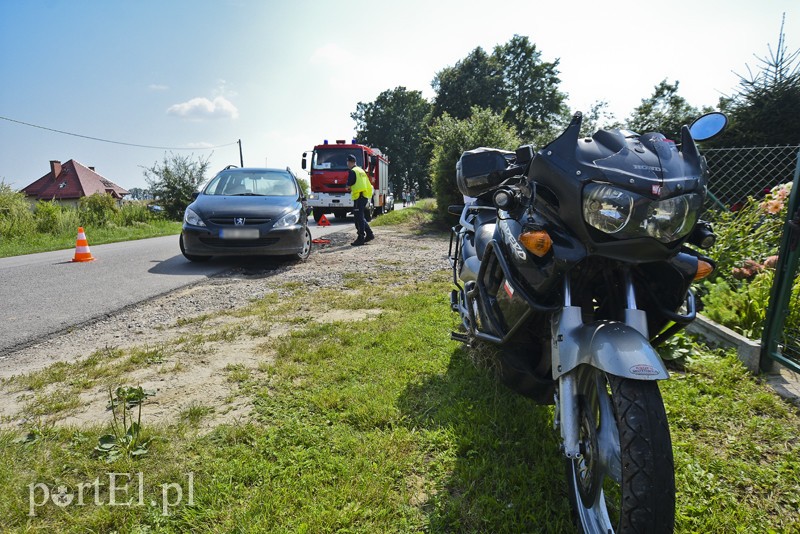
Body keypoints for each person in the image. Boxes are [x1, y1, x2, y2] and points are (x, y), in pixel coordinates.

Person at [346, 154, 375, 246]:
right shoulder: (361, 170)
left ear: (350, 162)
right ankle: (369, 234)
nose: (347, 164)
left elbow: (348, 186)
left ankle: (361, 238)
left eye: (347, 162)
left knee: (358, 219)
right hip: (364, 196)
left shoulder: (352, 171)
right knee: (360, 217)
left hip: (359, 196)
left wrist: (348, 188)